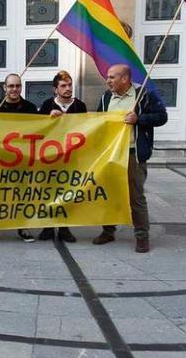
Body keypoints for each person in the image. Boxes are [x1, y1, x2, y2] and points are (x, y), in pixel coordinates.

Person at [93, 64, 167, 253]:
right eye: (108, 77)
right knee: (109, 194)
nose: (107, 80)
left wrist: (139, 119)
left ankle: (142, 237)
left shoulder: (143, 95)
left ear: (124, 79)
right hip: (111, 155)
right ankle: (108, 231)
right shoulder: (106, 97)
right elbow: (97, 121)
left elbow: (161, 117)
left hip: (133, 154)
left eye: (111, 77)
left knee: (136, 197)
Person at [0, 73, 37, 243]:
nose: (14, 89)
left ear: (21, 87)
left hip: (21, 159)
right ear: (4, 88)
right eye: (11, 86)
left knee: (21, 193)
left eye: (17, 86)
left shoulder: (30, 108)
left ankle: (23, 228)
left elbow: (38, 131)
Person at [37, 71, 87, 243]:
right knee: (49, 191)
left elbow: (86, 128)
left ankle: (65, 227)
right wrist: (49, 119)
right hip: (51, 157)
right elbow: (38, 131)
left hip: (71, 157)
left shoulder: (80, 106)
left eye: (69, 85)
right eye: (63, 86)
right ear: (55, 89)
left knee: (67, 192)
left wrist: (65, 118)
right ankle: (48, 226)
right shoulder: (47, 105)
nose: (67, 89)